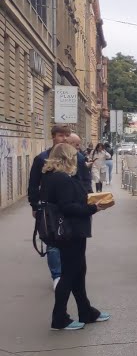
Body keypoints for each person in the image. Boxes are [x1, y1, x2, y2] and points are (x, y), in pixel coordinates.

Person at [40, 143, 110, 331]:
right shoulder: (61, 178)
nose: (77, 158)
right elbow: (68, 207)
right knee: (70, 274)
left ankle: (86, 311)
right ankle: (59, 318)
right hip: (70, 231)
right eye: (74, 155)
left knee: (78, 271)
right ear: (67, 157)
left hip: (68, 232)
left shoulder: (52, 176)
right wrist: (94, 207)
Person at [28, 124, 89, 289]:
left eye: (66, 135)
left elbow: (85, 182)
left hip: (72, 211)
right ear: (53, 136)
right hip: (51, 210)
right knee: (53, 243)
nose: (64, 139)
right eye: (61, 135)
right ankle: (57, 276)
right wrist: (35, 205)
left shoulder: (78, 158)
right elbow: (34, 185)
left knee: (72, 244)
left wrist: (86, 201)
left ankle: (69, 278)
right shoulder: (42, 158)